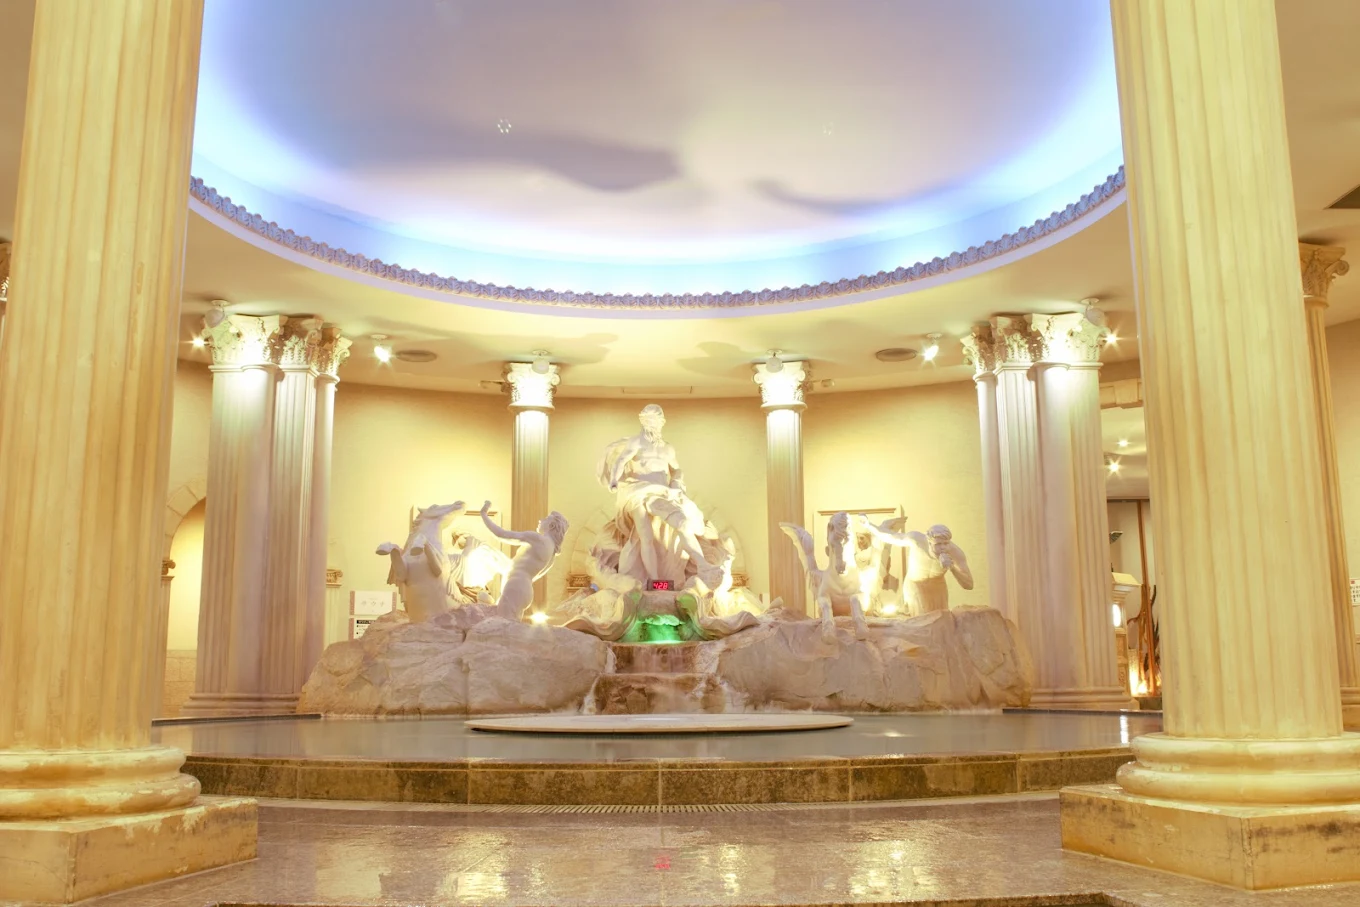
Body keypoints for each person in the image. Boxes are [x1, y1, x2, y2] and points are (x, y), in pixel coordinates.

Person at [595, 404, 722, 588]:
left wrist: (676, 483)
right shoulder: (636, 443)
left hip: (661, 494)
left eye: (655, 420)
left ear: (662, 422)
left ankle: (703, 565)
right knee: (645, 536)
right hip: (638, 492)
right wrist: (614, 480)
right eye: (647, 420)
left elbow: (677, 470)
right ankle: (655, 582)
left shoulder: (667, 449)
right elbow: (621, 460)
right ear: (642, 421)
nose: (651, 424)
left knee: (683, 523)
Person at [479, 501, 568, 620]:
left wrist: (484, 514)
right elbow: (531, 574)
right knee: (505, 624)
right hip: (523, 589)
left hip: (515, 586)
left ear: (551, 526)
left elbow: (501, 534)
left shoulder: (538, 539)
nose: (540, 520)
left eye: (546, 519)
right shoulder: (552, 555)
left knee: (503, 626)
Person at [863, 521, 973, 614]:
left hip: (937, 588)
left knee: (941, 623)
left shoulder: (955, 553)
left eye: (946, 543)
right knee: (921, 622)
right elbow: (890, 537)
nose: (943, 547)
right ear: (929, 542)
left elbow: (968, 585)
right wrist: (869, 525)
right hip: (915, 584)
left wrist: (952, 567)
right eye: (938, 544)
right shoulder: (916, 540)